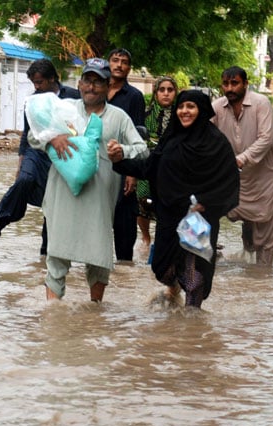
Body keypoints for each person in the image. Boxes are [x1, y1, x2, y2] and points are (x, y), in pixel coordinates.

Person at [111, 90, 239, 308]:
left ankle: (191, 324)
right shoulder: (171, 138)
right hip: (169, 215)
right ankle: (173, 289)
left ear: (202, 110)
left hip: (200, 218)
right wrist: (120, 160)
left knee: (195, 276)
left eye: (191, 106)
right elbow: (150, 167)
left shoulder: (217, 143)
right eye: (181, 107)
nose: (184, 111)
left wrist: (205, 203)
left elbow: (229, 182)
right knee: (162, 269)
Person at [33, 58, 147, 302]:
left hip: (99, 195)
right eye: (87, 80)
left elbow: (142, 148)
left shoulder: (118, 117)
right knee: (57, 253)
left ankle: (95, 312)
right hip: (62, 192)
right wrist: (52, 139)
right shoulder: (63, 109)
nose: (91, 87)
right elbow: (34, 138)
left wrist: (122, 151)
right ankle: (53, 315)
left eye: (98, 82)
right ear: (80, 82)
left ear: (108, 86)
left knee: (98, 254)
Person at [0, 59, 80, 254]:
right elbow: (27, 133)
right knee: (24, 180)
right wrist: (20, 163)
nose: (36, 87)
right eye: (33, 83)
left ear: (52, 79)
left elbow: (80, 127)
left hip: (59, 155)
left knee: (53, 201)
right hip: (35, 150)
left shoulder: (73, 97)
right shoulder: (32, 101)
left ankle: (47, 252)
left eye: (39, 82)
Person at [212, 66, 273, 266]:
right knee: (213, 210)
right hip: (236, 176)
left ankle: (262, 275)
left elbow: (266, 138)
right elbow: (204, 136)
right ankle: (236, 262)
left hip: (266, 175)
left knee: (265, 227)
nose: (230, 88)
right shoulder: (217, 107)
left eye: (235, 83)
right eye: (226, 84)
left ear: (245, 84)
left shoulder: (261, 103)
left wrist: (240, 159)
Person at [106, 48, 146, 262]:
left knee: (124, 222)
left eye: (124, 62)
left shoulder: (134, 97)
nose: (119, 65)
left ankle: (124, 269)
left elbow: (138, 135)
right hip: (97, 164)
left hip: (124, 165)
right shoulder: (98, 91)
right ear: (108, 63)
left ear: (129, 68)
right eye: (115, 60)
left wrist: (133, 173)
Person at [138, 76, 178, 246]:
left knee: (168, 204)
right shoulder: (145, 115)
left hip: (172, 167)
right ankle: (146, 237)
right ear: (155, 93)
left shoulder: (180, 115)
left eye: (170, 90)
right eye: (162, 90)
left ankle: (165, 238)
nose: (166, 93)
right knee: (143, 201)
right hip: (147, 163)